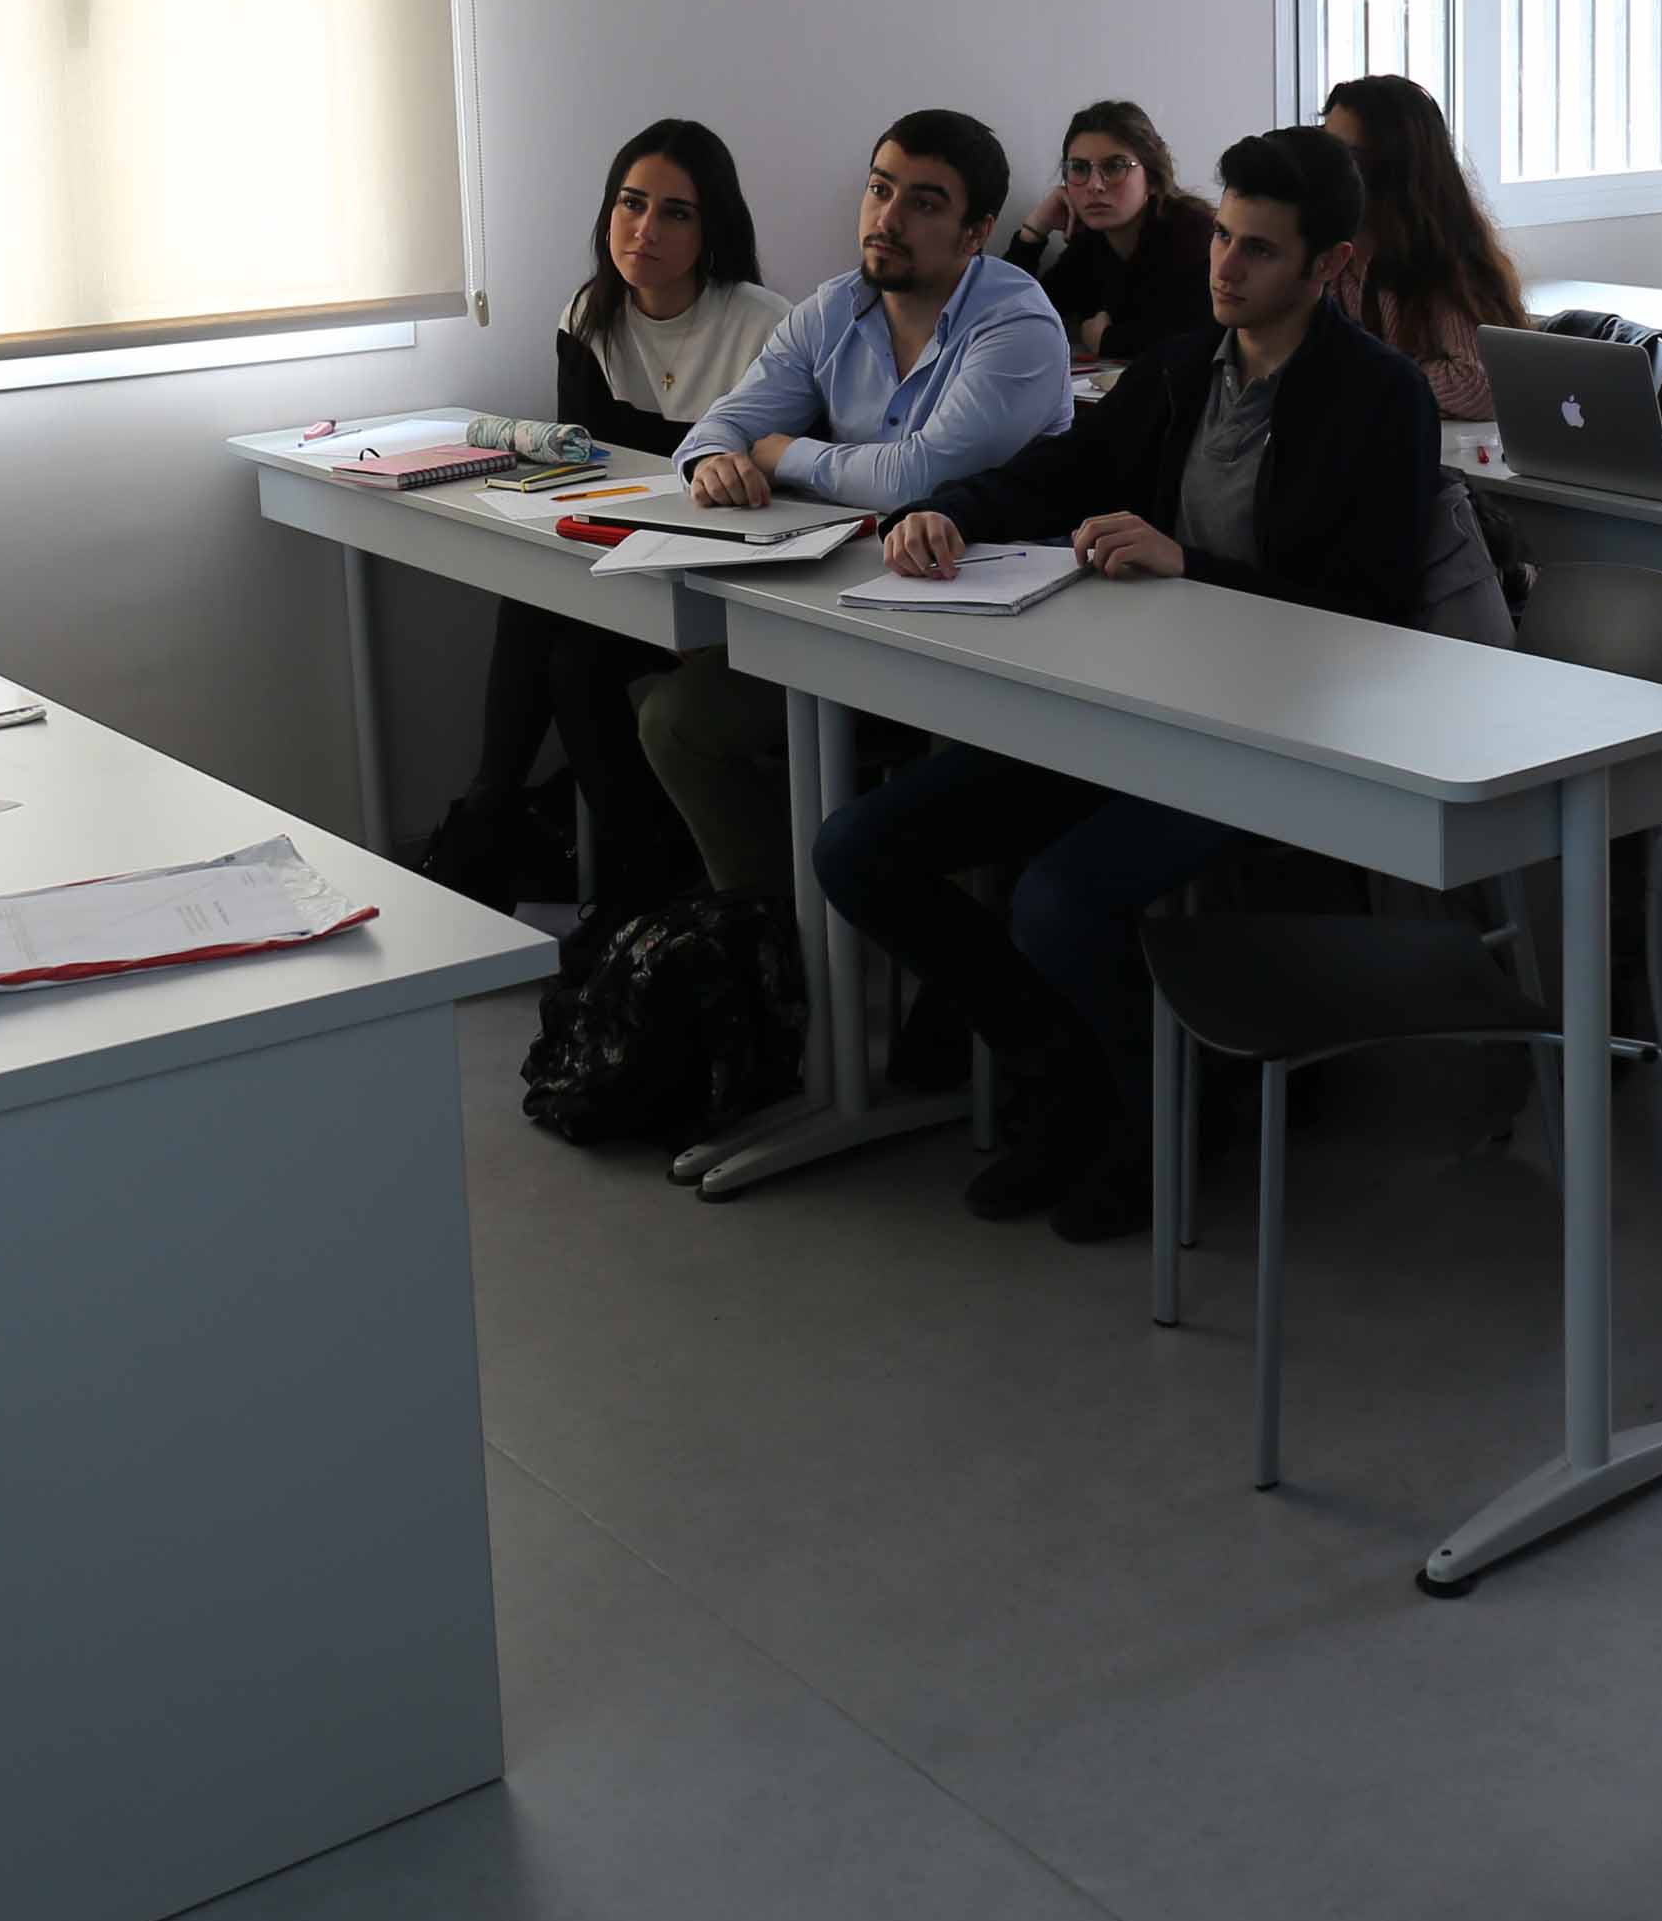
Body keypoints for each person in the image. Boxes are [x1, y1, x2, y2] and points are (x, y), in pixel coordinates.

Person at [817, 125, 1432, 1241]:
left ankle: (1160, 1117)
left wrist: (1190, 563)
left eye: (1257, 249)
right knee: (859, 849)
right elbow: (1059, 471)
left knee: (1057, 898)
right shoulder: (1182, 367)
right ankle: (1066, 1076)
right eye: (1223, 237)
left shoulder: (1379, 397)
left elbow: (1374, 613)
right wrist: (945, 510)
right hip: (1134, 705)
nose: (1223, 265)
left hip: (1276, 734)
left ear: (1330, 263)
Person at [638, 109, 1072, 892]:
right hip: (847, 607)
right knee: (675, 721)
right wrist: (715, 462)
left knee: (934, 796)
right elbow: (716, 430)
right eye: (879, 189)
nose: (887, 218)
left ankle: (906, 942)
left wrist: (782, 454)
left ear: (977, 233)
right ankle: (773, 936)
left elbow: (917, 478)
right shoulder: (833, 308)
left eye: (924, 203)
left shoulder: (1018, 321)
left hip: (992, 635)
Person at [406, 121, 783, 913]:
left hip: (732, 583)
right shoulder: (590, 315)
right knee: (554, 632)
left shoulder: (762, 325)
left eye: (675, 212)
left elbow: (778, 490)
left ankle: (498, 828)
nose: (644, 229)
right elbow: (586, 475)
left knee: (564, 648)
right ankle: (621, 882)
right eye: (630, 203)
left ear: (711, 227)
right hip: (626, 571)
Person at [1319, 73, 1522, 419]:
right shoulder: (1329, 251)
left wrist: (1367, 371)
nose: (1325, 168)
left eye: (1345, 154)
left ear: (1393, 169)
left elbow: (1481, 385)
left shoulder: (1441, 262)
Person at [1003, 99, 1212, 364]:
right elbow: (1013, 317)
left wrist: (1109, 341)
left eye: (1114, 166)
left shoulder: (1195, 235)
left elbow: (1202, 337)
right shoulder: (1092, 243)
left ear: (1152, 179)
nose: (1094, 185)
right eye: (1079, 168)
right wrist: (1034, 231)